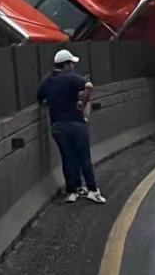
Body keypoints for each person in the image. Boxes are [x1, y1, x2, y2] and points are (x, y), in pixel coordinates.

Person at [37, 49, 106, 204]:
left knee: (67, 158)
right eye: (72, 63)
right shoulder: (72, 78)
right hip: (76, 123)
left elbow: (40, 98)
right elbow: (89, 86)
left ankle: (72, 192)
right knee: (84, 158)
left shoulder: (47, 80)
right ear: (66, 65)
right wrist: (83, 103)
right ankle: (93, 190)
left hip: (57, 125)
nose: (73, 66)